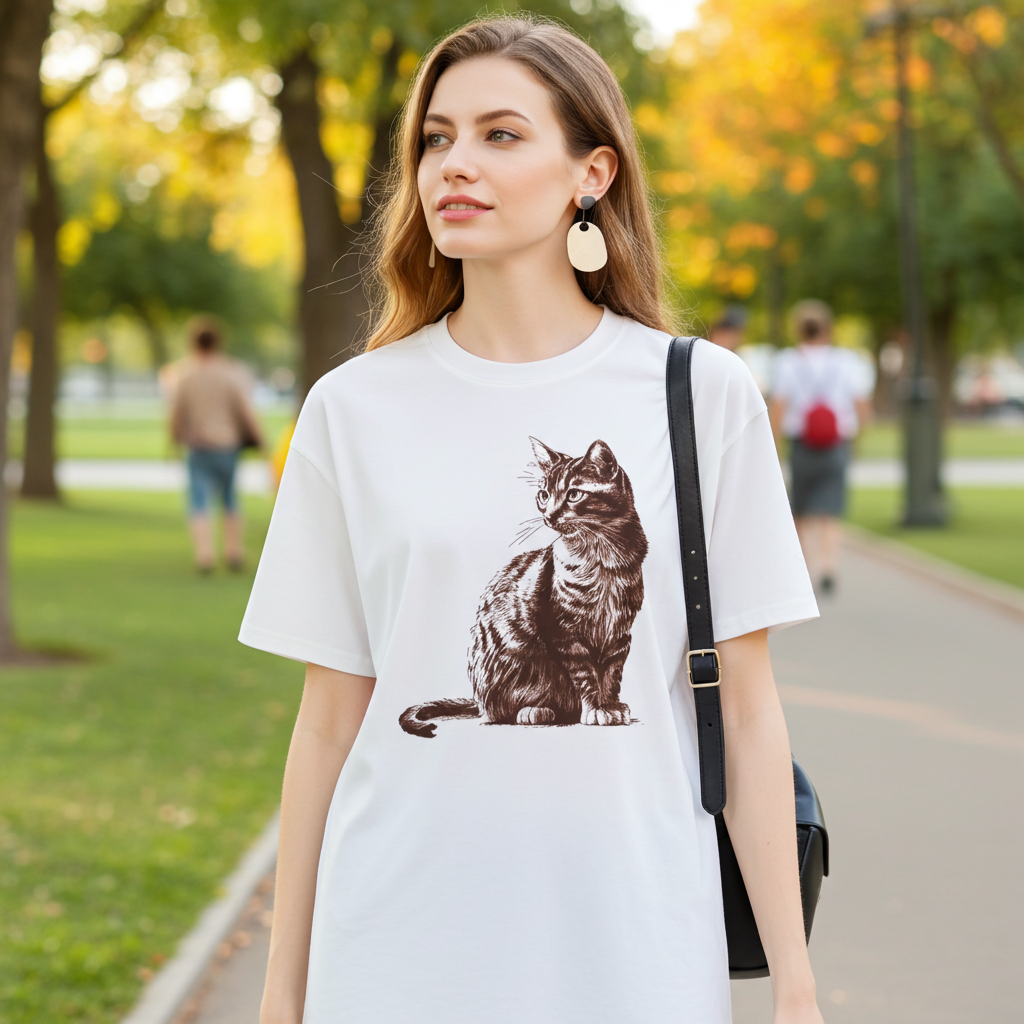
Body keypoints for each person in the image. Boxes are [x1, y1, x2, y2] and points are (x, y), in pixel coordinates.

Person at [240, 17, 824, 1024]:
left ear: (589, 172)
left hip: (637, 942)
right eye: (435, 137)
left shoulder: (698, 395)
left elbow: (747, 709)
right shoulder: (352, 407)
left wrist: (797, 987)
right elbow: (329, 720)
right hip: (393, 945)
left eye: (499, 135)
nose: (453, 163)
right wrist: (282, 989)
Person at [769, 300, 873, 595]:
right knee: (830, 510)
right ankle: (829, 566)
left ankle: (803, 569)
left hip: (802, 443)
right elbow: (861, 404)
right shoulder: (846, 362)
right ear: (829, 329)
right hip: (835, 443)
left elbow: (779, 407)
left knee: (800, 510)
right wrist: (860, 436)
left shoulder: (788, 362)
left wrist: (775, 445)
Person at [169, 321, 264, 572]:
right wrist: (260, 439)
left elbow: (176, 413)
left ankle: (205, 554)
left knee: (198, 500)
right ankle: (233, 551)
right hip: (227, 445)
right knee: (230, 498)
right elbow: (246, 411)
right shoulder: (231, 373)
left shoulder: (184, 375)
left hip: (197, 445)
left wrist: (174, 439)